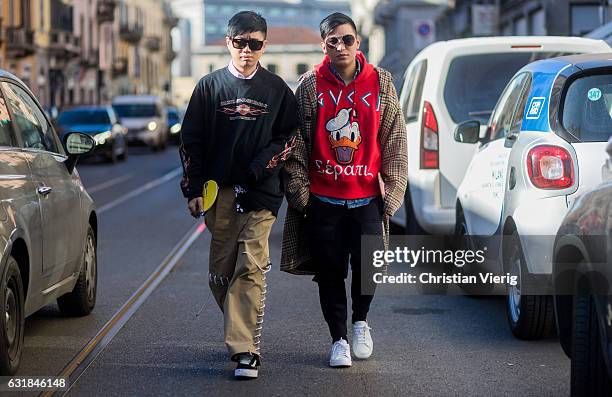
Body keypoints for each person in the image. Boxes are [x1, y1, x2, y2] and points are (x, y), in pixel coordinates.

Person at [280, 12, 407, 368]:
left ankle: (360, 323)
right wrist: (302, 195)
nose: (340, 46)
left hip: (367, 197)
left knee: (368, 268)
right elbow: (296, 143)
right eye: (333, 41)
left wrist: (393, 190)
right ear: (324, 46)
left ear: (358, 42)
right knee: (330, 273)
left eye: (347, 39)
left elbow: (395, 137)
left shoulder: (381, 82)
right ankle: (338, 339)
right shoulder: (309, 85)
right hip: (323, 200)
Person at [179, 11, 297, 379]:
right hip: (220, 193)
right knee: (220, 273)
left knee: (251, 265)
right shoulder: (209, 87)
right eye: (241, 43)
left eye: (255, 44)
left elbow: (289, 139)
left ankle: (245, 351)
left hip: (261, 191)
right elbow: (190, 141)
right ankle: (240, 325)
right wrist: (193, 188)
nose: (247, 50)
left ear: (265, 46)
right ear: (228, 43)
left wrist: (260, 167)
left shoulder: (277, 90)